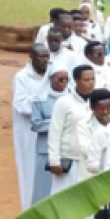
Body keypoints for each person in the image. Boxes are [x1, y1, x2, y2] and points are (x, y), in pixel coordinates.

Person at [47, 64, 98, 219]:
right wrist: (54, 160)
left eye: (93, 79)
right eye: (86, 80)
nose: (90, 83)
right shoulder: (64, 103)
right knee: (64, 206)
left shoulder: (97, 103)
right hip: (68, 163)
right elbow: (55, 132)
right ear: (76, 81)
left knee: (86, 208)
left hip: (90, 165)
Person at [12, 44, 50, 210]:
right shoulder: (22, 77)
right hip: (28, 133)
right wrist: (44, 108)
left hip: (48, 132)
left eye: (47, 56)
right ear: (31, 57)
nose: (45, 60)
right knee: (29, 170)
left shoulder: (52, 76)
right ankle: (28, 208)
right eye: (41, 57)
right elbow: (21, 105)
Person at [31, 65, 70, 206]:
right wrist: (57, 124)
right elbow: (36, 124)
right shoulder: (39, 99)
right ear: (51, 79)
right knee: (43, 191)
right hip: (45, 150)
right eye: (60, 79)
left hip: (66, 150)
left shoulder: (71, 98)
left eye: (66, 79)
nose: (64, 83)